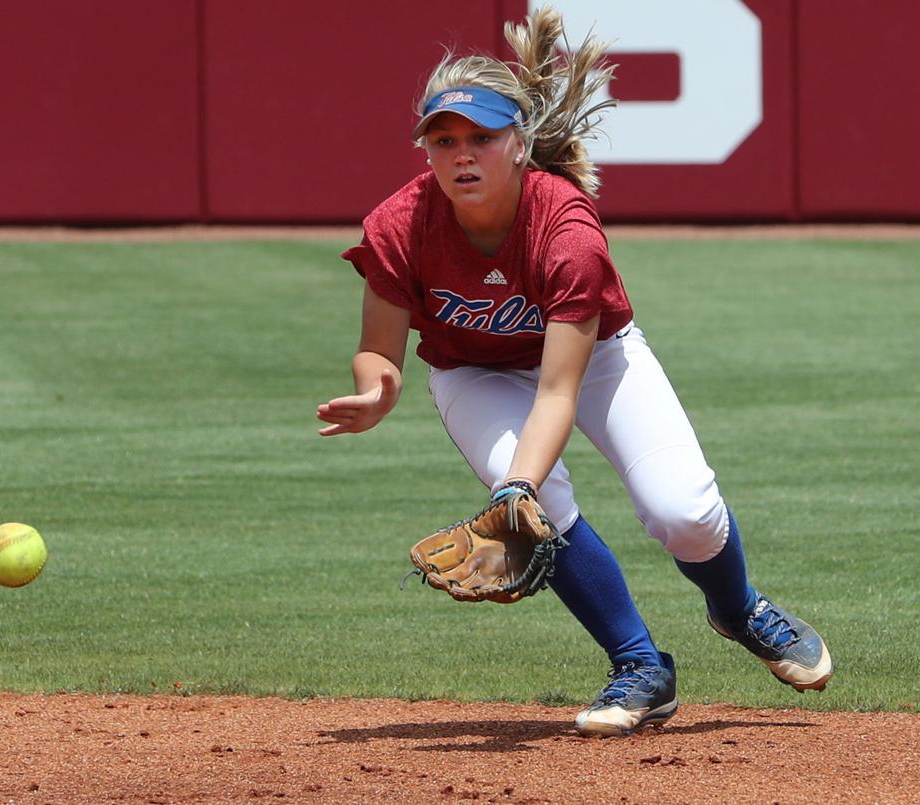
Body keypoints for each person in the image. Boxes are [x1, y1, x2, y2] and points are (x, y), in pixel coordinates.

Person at [315, 9, 832, 738]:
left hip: (595, 363)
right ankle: (641, 666)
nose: (462, 155)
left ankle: (739, 606)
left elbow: (558, 388)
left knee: (681, 510)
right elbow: (379, 348)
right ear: (426, 149)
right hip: (475, 373)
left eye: (483, 138)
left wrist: (516, 488)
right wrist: (379, 388)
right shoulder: (399, 224)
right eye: (444, 140)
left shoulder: (565, 227)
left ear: (520, 145)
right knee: (537, 508)